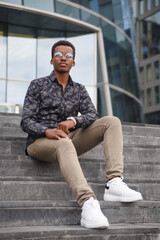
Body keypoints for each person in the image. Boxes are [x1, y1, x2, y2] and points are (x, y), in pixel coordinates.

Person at [21, 40, 143, 229]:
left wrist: (73, 121)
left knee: (112, 122)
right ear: (51, 60)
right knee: (64, 143)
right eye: (59, 55)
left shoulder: (78, 89)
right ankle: (88, 203)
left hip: (68, 139)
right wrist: (47, 131)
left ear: (73, 63)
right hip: (40, 142)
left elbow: (92, 115)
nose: (63, 58)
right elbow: (26, 120)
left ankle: (114, 182)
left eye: (68, 56)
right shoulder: (38, 85)